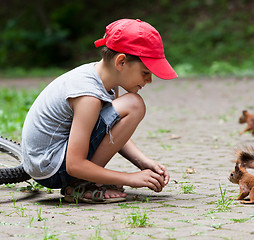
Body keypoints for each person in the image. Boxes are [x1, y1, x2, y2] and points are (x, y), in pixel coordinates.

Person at [21, 19, 178, 203]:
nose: (149, 80)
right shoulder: (89, 96)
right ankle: (82, 185)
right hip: (51, 169)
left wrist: (143, 162)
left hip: (52, 161)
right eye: (145, 72)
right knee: (134, 105)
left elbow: (111, 131)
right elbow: (74, 165)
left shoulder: (105, 80)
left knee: (132, 105)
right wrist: (131, 178)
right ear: (121, 62)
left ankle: (87, 180)